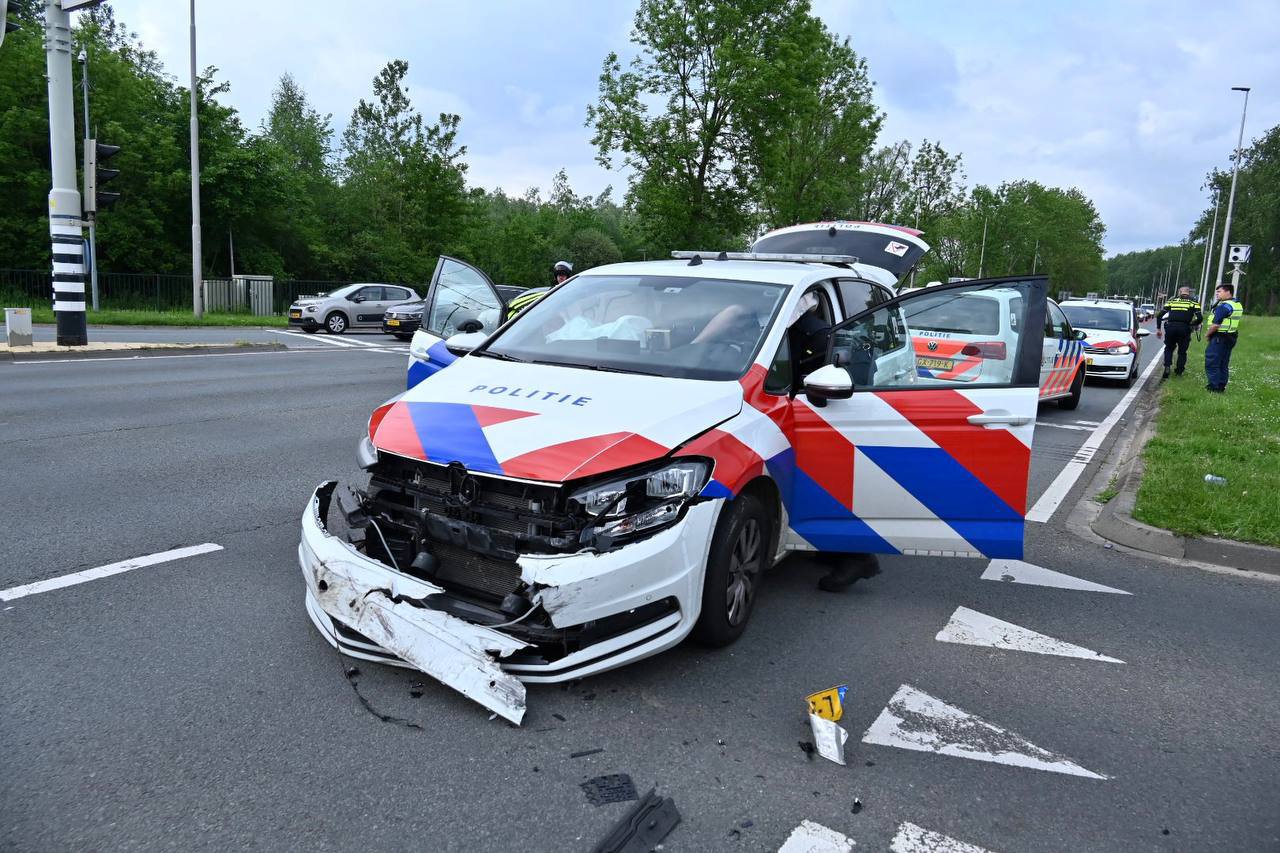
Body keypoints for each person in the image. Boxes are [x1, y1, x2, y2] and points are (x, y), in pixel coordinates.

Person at [1155, 286, 1202, 378]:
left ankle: (1167, 366)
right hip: (1185, 328)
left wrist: (1158, 329)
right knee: (1182, 351)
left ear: (1180, 292)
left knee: (1169, 348)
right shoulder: (1193, 302)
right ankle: (1179, 371)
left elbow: (1159, 315)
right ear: (1189, 292)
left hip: (1171, 327)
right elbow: (1200, 318)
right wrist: (1192, 324)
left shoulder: (1172, 300)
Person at [1204, 283, 1243, 393]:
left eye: (1219, 291)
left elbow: (1216, 325)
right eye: (1217, 292)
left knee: (1212, 362)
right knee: (1223, 363)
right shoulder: (1236, 304)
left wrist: (1207, 335)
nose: (1217, 294)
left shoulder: (1224, 306)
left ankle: (1213, 387)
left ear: (1228, 292)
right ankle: (1221, 386)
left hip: (1219, 337)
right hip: (1231, 336)